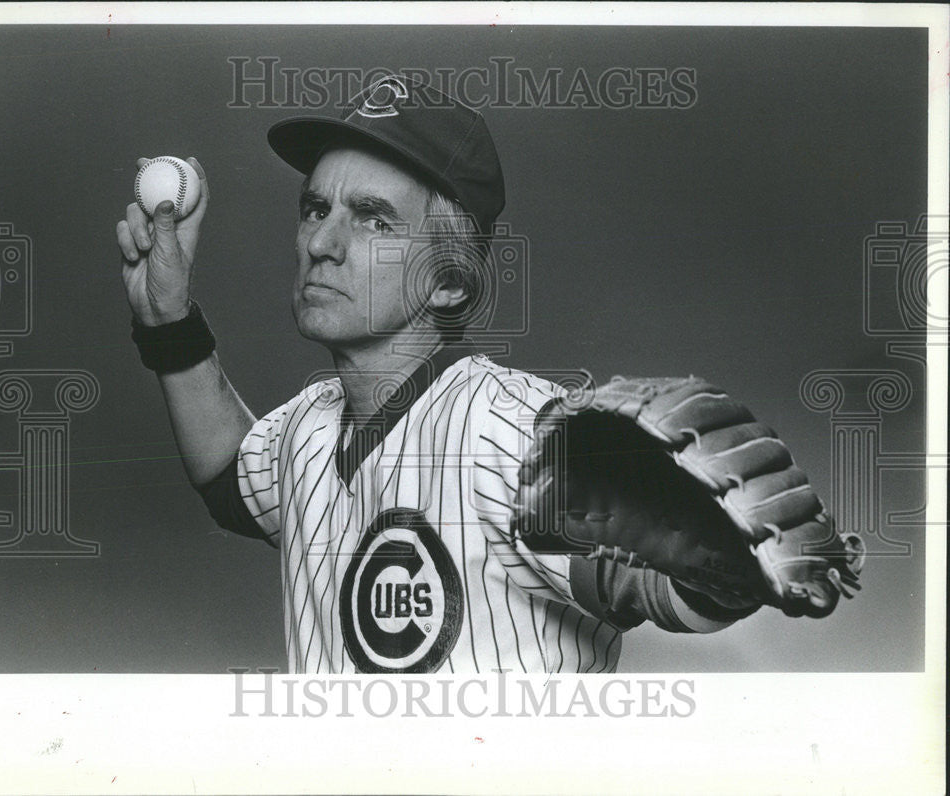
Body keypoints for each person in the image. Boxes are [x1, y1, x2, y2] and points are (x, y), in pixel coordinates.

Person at [116, 74, 767, 674]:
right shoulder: (307, 426)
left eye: (374, 219)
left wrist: (725, 551)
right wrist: (168, 323)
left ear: (452, 280)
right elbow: (231, 477)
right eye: (317, 208)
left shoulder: (517, 436)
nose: (322, 243)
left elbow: (671, 583)